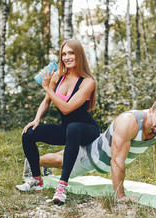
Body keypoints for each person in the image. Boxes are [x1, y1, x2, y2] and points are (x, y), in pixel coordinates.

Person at [29, 98, 156, 202]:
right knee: (62, 162)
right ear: (150, 111)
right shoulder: (130, 122)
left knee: (64, 156)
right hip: (95, 155)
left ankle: (36, 161)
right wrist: (120, 196)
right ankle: (32, 161)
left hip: (103, 151)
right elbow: (117, 161)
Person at [16, 39, 100, 204]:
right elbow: (46, 101)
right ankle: (36, 180)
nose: (67, 57)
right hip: (67, 129)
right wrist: (36, 119)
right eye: (63, 54)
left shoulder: (88, 82)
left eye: (71, 53)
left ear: (79, 55)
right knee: (29, 133)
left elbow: (67, 108)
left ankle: (61, 187)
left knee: (74, 128)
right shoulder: (58, 77)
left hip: (86, 131)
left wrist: (47, 87)